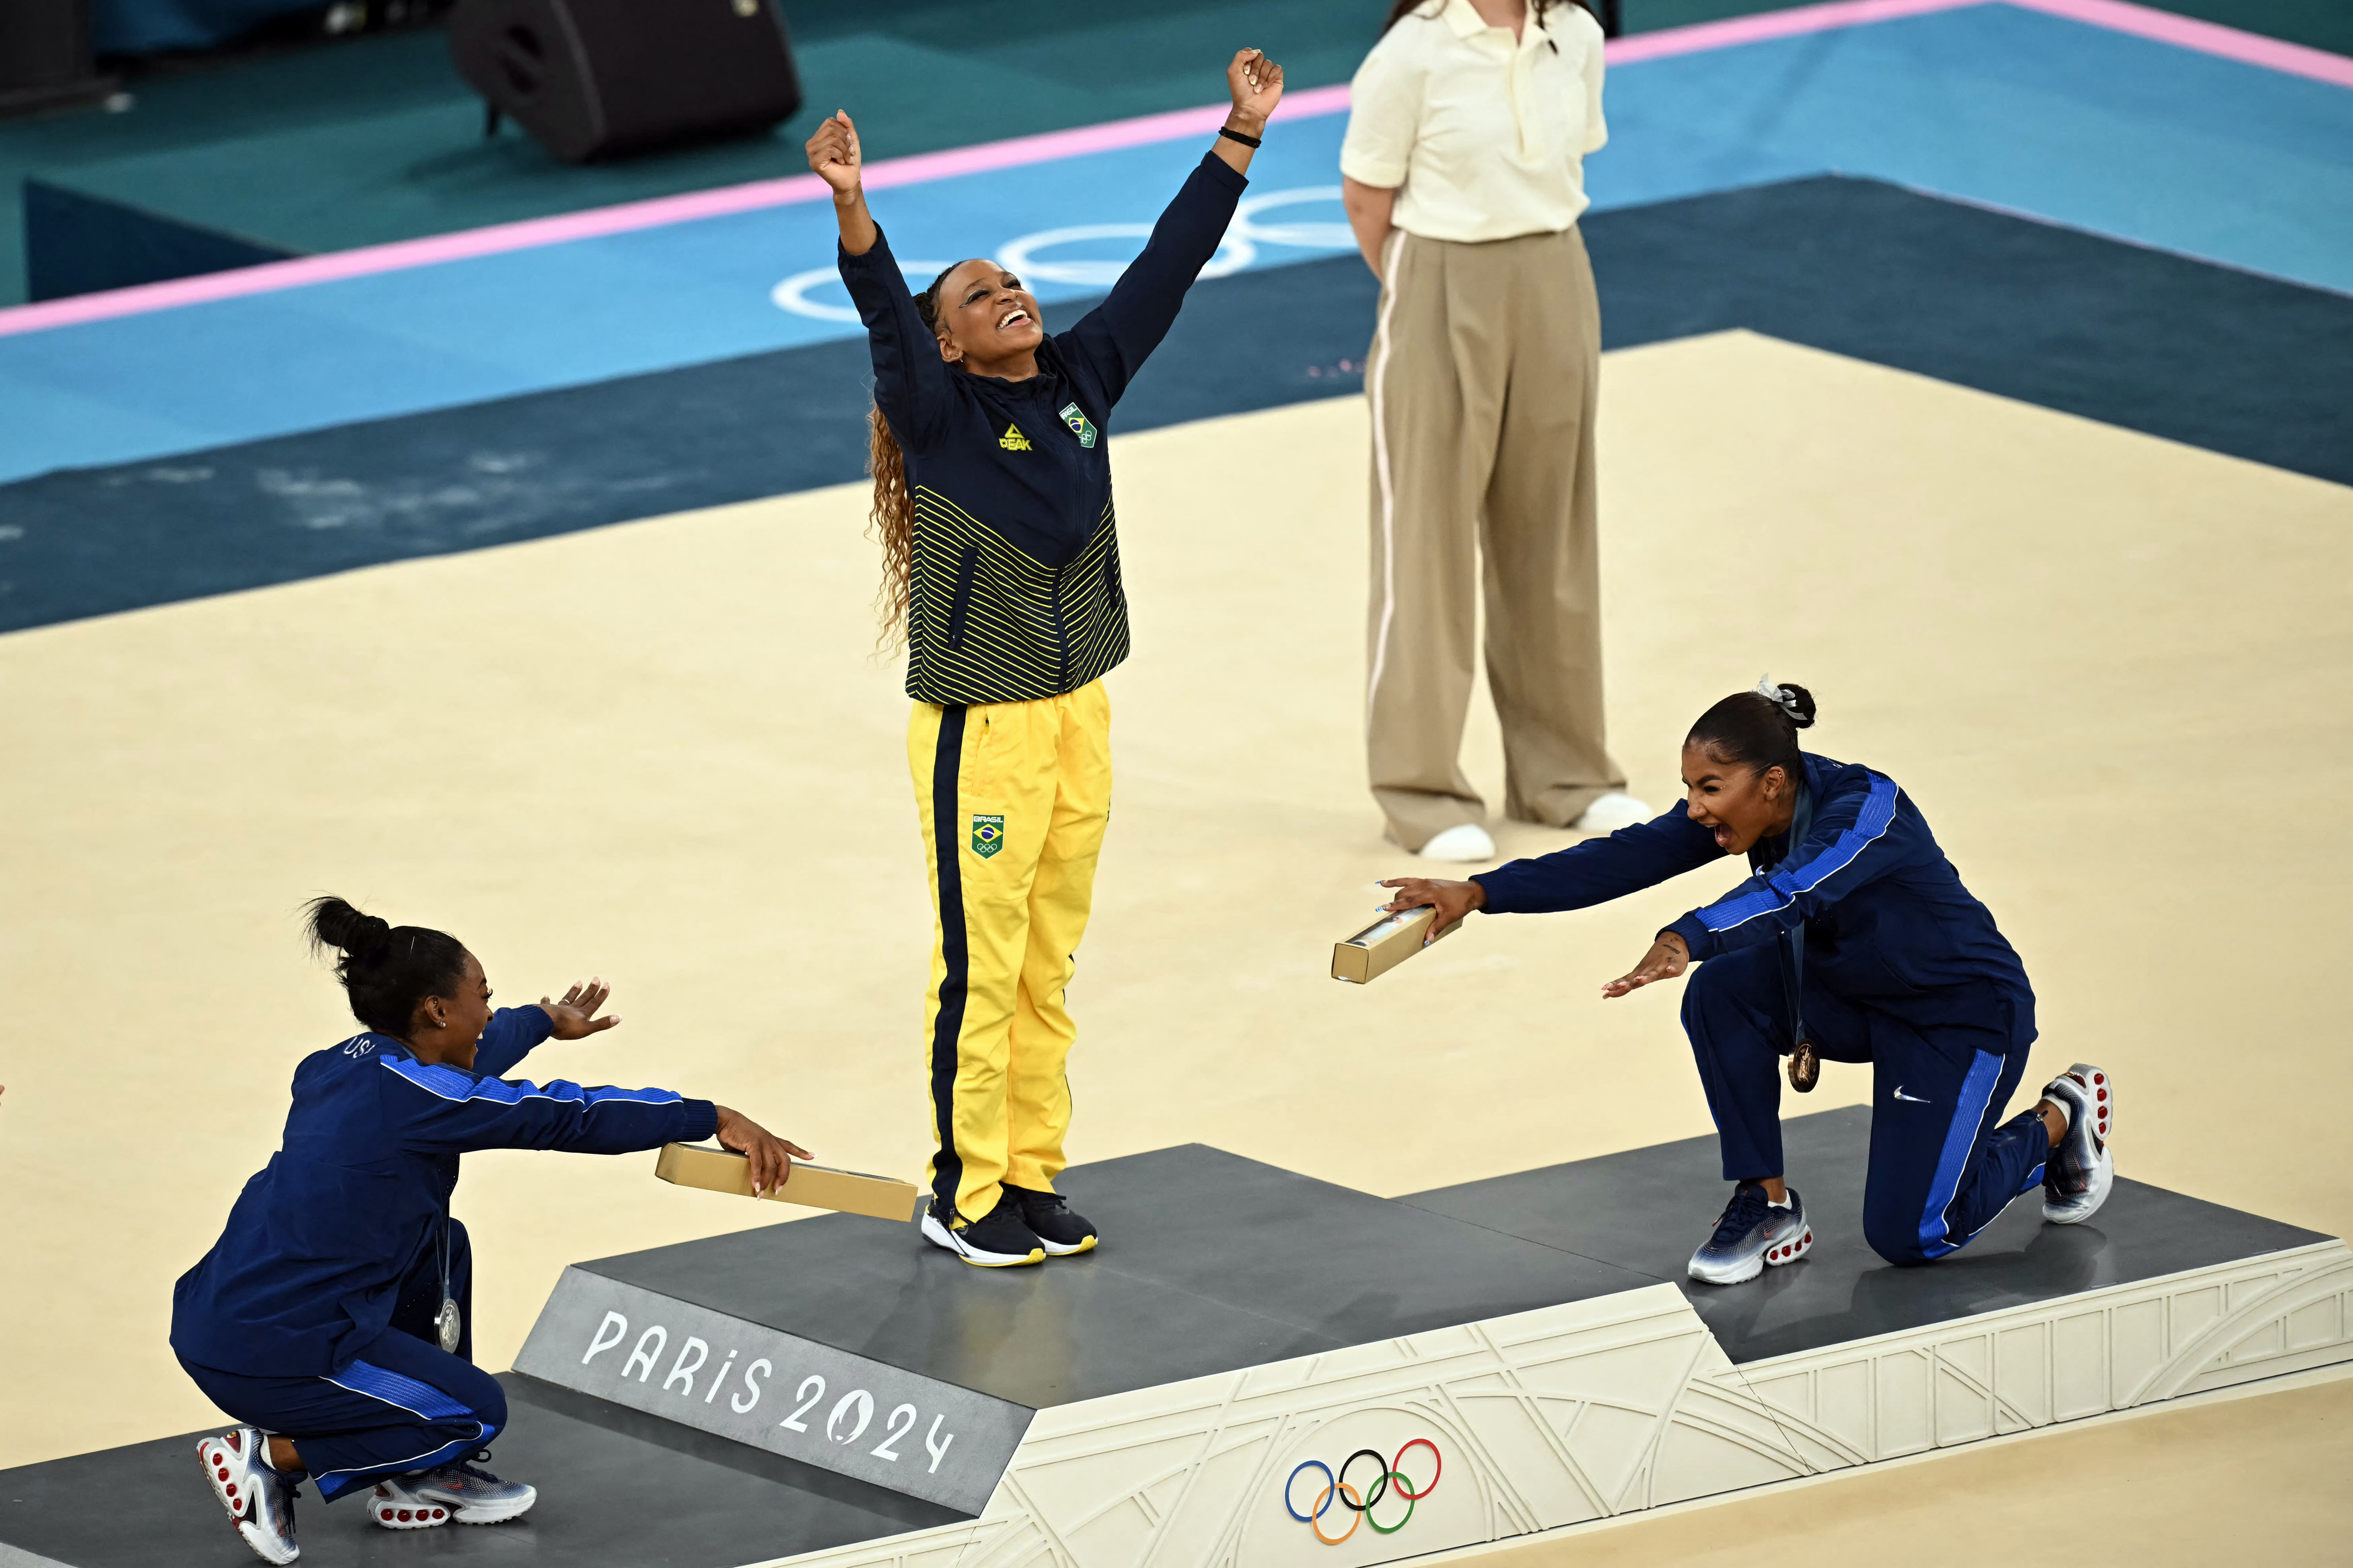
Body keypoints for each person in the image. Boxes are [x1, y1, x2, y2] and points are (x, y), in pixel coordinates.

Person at [805, 48, 1286, 1268]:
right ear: (951, 348)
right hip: (984, 729)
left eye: (1014, 282)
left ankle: (1029, 1171)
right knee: (982, 961)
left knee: (1049, 956)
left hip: (1080, 714)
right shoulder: (940, 420)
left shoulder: (1079, 377)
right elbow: (882, 320)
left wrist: (1237, 133)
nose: (1009, 294)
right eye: (976, 296)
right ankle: (961, 1191)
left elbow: (1163, 272)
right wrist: (856, 214)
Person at [1380, 682, 2115, 1283]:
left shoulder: (1867, 810)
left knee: (1914, 1233)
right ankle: (1767, 1204)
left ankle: (2061, 1119)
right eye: (1688, 788)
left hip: (1956, 1017)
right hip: (1848, 996)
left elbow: (1795, 890)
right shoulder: (1748, 807)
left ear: (1771, 782)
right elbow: (1620, 857)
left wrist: (1686, 936)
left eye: (1709, 787)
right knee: (1720, 990)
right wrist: (1477, 892)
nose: (1696, 807)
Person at [171, 898, 805, 1564]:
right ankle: (271, 1458)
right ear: (437, 1011)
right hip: (274, 1349)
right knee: (472, 1412)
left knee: (447, 1243)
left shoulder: (338, 1067)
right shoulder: (417, 1097)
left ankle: (410, 1469)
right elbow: (562, 1115)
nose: (488, 1012)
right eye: (484, 996)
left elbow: (469, 1058)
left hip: (224, 1311)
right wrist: (710, 1115)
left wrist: (541, 1020)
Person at [1339, 0, 1649, 863]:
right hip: (1438, 276)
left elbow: (1568, 156)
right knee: (1426, 547)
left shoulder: (1575, 36)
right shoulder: (1413, 53)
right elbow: (1368, 197)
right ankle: (1421, 790)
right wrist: (1427, 292)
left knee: (1552, 534)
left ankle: (1566, 776)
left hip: (1555, 270)